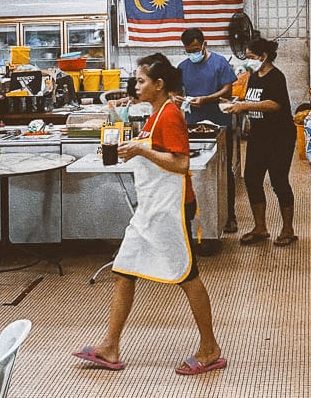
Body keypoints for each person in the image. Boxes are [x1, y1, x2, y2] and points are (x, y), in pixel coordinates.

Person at [72, 52, 226, 376]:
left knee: (186, 275)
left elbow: (181, 163)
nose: (136, 85)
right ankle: (110, 347)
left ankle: (210, 348)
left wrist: (141, 149)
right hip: (150, 211)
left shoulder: (170, 115)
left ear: (159, 84)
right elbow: (158, 153)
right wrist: (134, 148)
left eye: (142, 80)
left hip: (171, 209)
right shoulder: (155, 114)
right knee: (123, 270)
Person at [222, 33, 297, 247]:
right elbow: (253, 100)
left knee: (279, 181)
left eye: (251, 56)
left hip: (279, 136)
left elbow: (274, 104)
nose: (248, 61)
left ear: (264, 56)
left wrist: (245, 106)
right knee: (252, 180)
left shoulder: (276, 77)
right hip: (258, 136)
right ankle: (260, 228)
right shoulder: (254, 76)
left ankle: (288, 229)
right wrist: (235, 103)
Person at [177, 27, 238, 233]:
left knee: (223, 171)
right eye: (188, 51)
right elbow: (176, 93)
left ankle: (230, 216)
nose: (192, 54)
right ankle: (201, 218)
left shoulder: (219, 63)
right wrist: (178, 99)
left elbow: (227, 90)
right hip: (192, 127)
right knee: (196, 172)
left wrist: (206, 99)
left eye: (195, 49)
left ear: (204, 44)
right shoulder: (182, 68)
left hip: (219, 125)